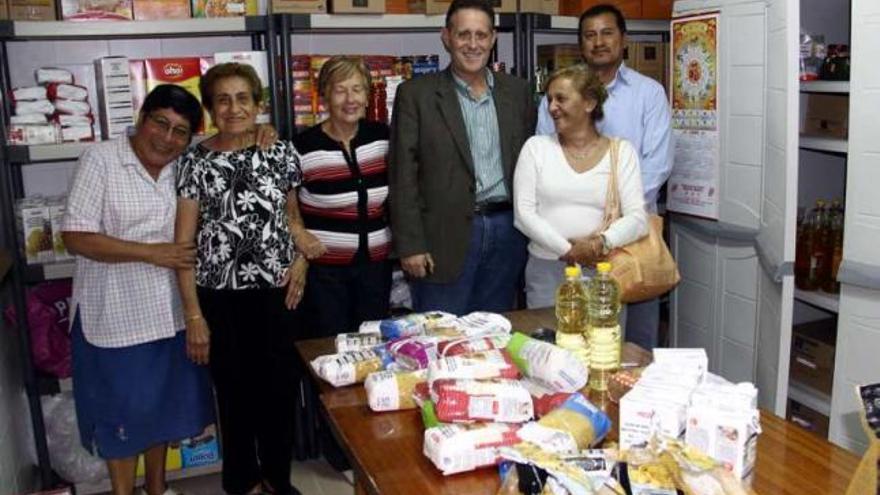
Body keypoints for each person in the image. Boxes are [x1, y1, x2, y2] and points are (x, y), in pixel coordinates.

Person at [61, 84, 214, 495]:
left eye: (180, 131)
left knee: (161, 409)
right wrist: (152, 253)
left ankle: (158, 489)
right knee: (122, 417)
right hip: (114, 317)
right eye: (160, 123)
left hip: (169, 313)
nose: (167, 138)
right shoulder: (102, 160)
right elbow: (76, 236)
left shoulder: (186, 166)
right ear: (142, 117)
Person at [174, 62, 304, 495]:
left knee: (280, 391)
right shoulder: (195, 160)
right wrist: (193, 314)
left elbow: (293, 220)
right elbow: (183, 244)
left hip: (278, 292)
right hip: (220, 296)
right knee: (233, 393)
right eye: (223, 100)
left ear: (258, 104)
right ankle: (242, 481)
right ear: (210, 109)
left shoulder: (280, 152)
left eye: (243, 98)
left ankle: (278, 479)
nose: (234, 108)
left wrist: (300, 262)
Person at [535, 3, 673, 349]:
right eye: (590, 35)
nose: (598, 42)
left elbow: (657, 163)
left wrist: (615, 221)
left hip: (632, 237)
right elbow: (545, 159)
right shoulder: (556, 95)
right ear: (581, 43)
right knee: (569, 339)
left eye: (607, 33)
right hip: (571, 239)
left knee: (634, 346)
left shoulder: (649, 93)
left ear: (623, 40)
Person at [389, 0, 536, 315]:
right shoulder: (416, 95)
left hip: (507, 233)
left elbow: (532, 163)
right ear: (446, 37)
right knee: (442, 338)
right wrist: (411, 245)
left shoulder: (518, 92)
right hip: (443, 238)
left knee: (495, 335)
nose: (473, 44)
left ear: (493, 38)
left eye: (481, 35)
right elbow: (403, 176)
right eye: (463, 34)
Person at [515, 64, 648, 309]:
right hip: (547, 271)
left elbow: (638, 219)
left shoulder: (621, 152)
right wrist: (571, 251)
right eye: (550, 99)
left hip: (606, 272)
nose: (552, 107)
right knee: (550, 344)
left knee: (603, 345)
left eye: (561, 99)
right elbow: (523, 216)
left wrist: (598, 244)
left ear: (589, 103)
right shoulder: (536, 148)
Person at [293, 55, 392, 337]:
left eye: (357, 89)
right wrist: (300, 238)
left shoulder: (382, 137)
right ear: (324, 94)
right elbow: (284, 206)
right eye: (340, 90)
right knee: (328, 350)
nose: (350, 99)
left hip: (376, 269)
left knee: (372, 349)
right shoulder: (302, 147)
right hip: (325, 274)